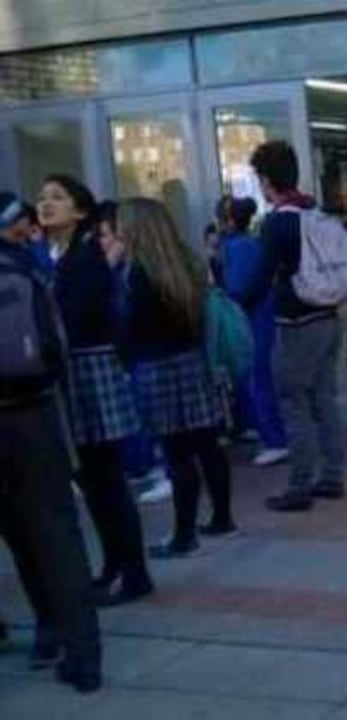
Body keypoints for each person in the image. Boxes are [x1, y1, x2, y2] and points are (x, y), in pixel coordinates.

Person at [0, 191, 103, 693]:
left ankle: (46, 628)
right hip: (34, 414)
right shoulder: (27, 272)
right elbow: (55, 349)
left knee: (16, 535)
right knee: (58, 533)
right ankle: (85, 655)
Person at [39, 178, 154, 607]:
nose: (46, 204)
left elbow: (75, 316)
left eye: (57, 198)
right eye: (43, 197)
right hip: (74, 372)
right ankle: (113, 564)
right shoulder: (57, 256)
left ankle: (134, 572)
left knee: (106, 480)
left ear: (80, 210)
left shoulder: (86, 257)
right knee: (92, 479)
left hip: (91, 369)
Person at [102, 199, 237, 557]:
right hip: (193, 361)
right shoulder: (187, 262)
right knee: (208, 445)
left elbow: (127, 327)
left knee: (176, 453)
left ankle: (184, 534)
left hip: (157, 367)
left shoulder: (136, 273)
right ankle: (222, 517)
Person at [249, 141, 345, 513]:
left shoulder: (278, 222)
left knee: (294, 403)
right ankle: (332, 476)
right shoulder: (315, 212)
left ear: (266, 179)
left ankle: (299, 485)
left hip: (295, 323)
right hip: (327, 317)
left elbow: (258, 279)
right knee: (324, 399)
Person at [219, 196, 290, 467]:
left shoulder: (237, 247)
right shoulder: (251, 243)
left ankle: (274, 437)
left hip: (254, 318)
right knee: (261, 376)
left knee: (259, 378)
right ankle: (268, 432)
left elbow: (239, 287)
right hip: (261, 315)